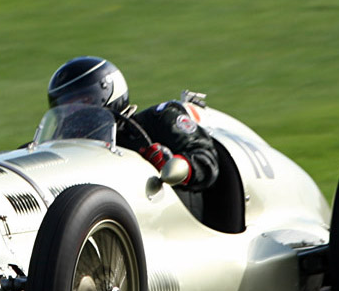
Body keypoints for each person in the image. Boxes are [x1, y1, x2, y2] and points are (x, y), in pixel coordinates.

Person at [47, 56, 219, 192]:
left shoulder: (159, 120)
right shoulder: (55, 149)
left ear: (109, 93)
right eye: (66, 107)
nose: (73, 112)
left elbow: (206, 159)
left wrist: (172, 164)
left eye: (83, 101)